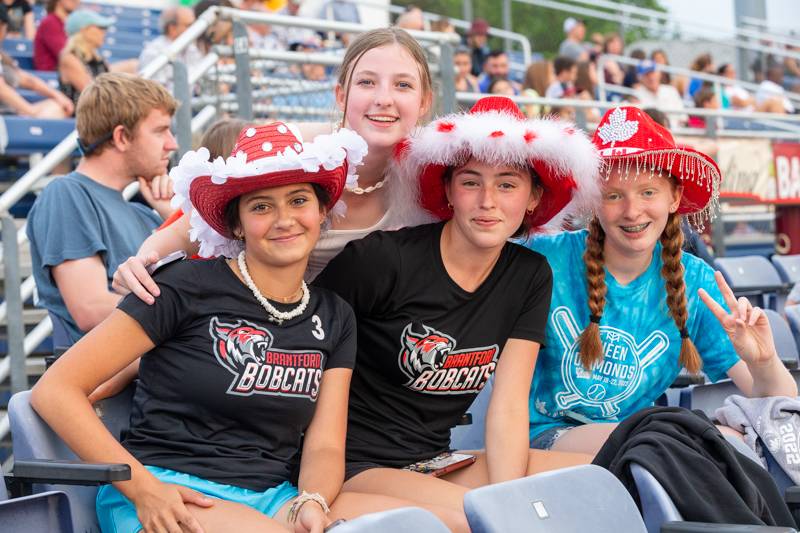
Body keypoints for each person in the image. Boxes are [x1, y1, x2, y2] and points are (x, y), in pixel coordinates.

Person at [30, 122, 407, 533]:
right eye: (261, 207)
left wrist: (310, 501)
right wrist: (143, 489)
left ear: (321, 212)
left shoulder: (335, 315)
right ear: (237, 225)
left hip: (273, 497)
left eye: (298, 200)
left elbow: (325, 443)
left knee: (416, 526)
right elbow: (55, 390)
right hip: (166, 490)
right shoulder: (181, 287)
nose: (285, 220)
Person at [313, 96, 601, 527]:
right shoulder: (382, 261)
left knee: (590, 489)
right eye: (471, 182)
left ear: (532, 198)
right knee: (481, 522)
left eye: (507, 184)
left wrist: (512, 497)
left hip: (437, 457)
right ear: (447, 190)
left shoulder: (529, 273)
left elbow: (507, 406)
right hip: (356, 465)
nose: (488, 201)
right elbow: (303, 352)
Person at [525, 106, 798, 456]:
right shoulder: (546, 258)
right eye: (613, 195)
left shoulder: (694, 281)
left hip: (647, 445)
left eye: (648, 192)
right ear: (594, 202)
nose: (632, 210)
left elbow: (782, 404)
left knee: (729, 445)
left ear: (675, 198)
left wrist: (763, 361)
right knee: (674, 440)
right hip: (551, 439)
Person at [112, 27, 436, 299]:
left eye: (403, 85)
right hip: (254, 328)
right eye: (367, 82)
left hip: (352, 344)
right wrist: (141, 262)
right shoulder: (291, 150)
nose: (384, 98)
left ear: (424, 102)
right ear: (341, 96)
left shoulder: (435, 175)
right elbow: (190, 230)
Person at [26, 73, 177, 345]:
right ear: (121, 137)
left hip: (157, 376)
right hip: (109, 384)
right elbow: (90, 309)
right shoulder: (67, 195)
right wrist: (185, 313)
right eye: (159, 131)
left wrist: (171, 213)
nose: (172, 143)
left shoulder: (143, 213)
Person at [59, 9, 138, 109]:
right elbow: (93, 93)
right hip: (84, 116)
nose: (104, 32)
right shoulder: (69, 58)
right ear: (84, 30)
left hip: (100, 111)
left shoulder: (96, 57)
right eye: (100, 27)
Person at [138, 7, 203, 91]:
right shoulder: (153, 52)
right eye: (188, 25)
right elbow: (157, 93)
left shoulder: (192, 49)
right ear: (172, 28)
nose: (194, 30)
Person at [33, 0, 78, 72]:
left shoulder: (69, 24)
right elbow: (66, 55)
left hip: (66, 73)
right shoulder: (50, 22)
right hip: (52, 76)